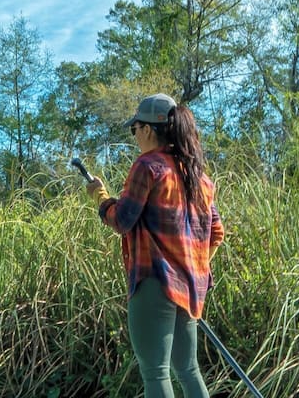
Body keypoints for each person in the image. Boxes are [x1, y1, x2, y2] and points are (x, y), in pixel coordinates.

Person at [86, 93, 225, 398]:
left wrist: (100, 196)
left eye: (134, 129)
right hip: (189, 289)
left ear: (148, 129)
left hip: (153, 283)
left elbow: (122, 220)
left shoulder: (147, 166)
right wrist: (194, 269)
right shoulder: (200, 177)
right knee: (188, 369)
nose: (134, 135)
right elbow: (216, 234)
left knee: (155, 372)